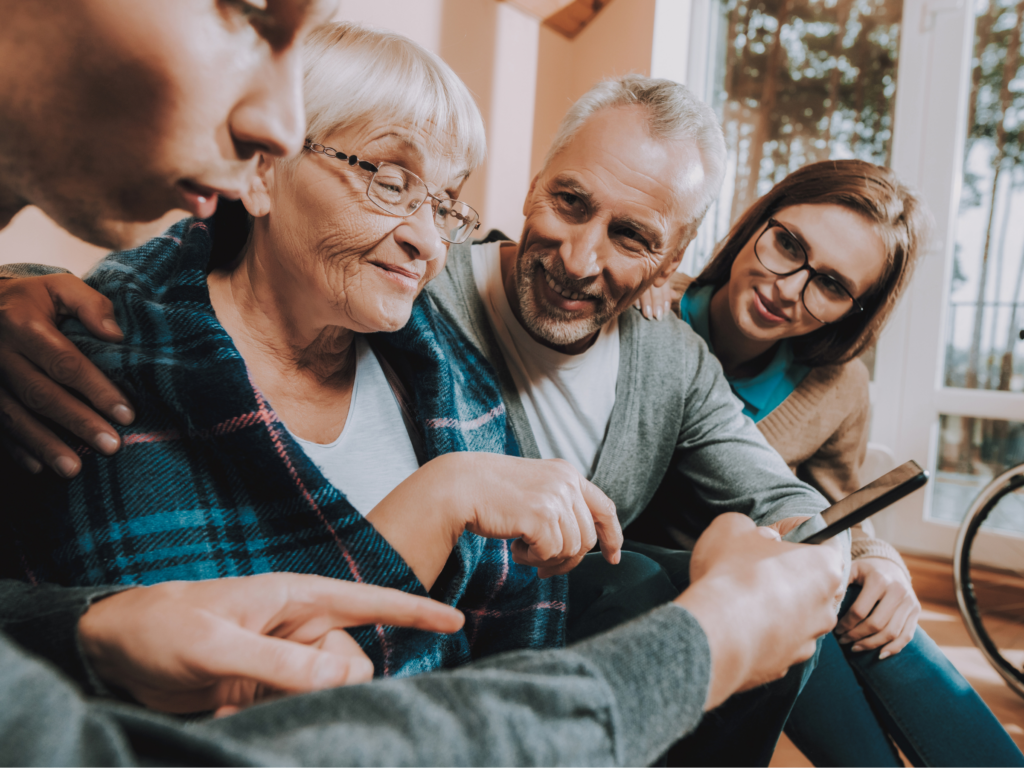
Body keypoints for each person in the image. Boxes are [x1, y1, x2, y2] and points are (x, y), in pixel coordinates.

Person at [0, 3, 843, 762]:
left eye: (444, 204)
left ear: (672, 259)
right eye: (390, 179)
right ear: (261, 167)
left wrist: (855, 553)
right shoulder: (94, 367)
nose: (426, 241)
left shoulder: (439, 351)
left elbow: (759, 493)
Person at [633, 158, 1024, 767]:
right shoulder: (647, 301)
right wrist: (632, 268)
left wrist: (883, 566)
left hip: (768, 564)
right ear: (754, 223)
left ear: (856, 311)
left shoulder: (838, 387)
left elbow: (840, 508)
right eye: (787, 244)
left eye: (833, 285)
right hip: (652, 571)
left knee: (864, 608)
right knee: (793, 590)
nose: (787, 288)